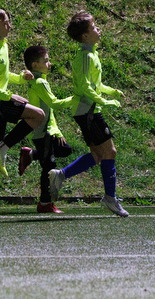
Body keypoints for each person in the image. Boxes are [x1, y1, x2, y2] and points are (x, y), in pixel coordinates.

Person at [0, 8, 49, 219]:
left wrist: (21, 78)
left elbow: (1, 76)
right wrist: (10, 97)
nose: (10, 25)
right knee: (39, 115)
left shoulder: (3, 46)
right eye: (5, 23)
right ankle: (3, 149)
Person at [46, 11, 129, 216]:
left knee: (98, 154)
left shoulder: (91, 54)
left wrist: (110, 91)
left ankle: (61, 175)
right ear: (84, 36)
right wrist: (102, 99)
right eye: (93, 27)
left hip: (88, 110)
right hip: (88, 111)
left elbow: (95, 84)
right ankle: (110, 198)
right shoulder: (85, 56)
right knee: (110, 152)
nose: (98, 29)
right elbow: (84, 86)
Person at [18, 44, 73, 213]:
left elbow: (49, 110)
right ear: (35, 65)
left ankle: (31, 154)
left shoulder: (39, 80)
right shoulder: (40, 82)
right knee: (49, 167)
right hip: (42, 132)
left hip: (46, 131)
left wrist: (56, 130)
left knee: (64, 149)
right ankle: (44, 203)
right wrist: (78, 97)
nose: (49, 64)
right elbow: (55, 103)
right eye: (46, 61)